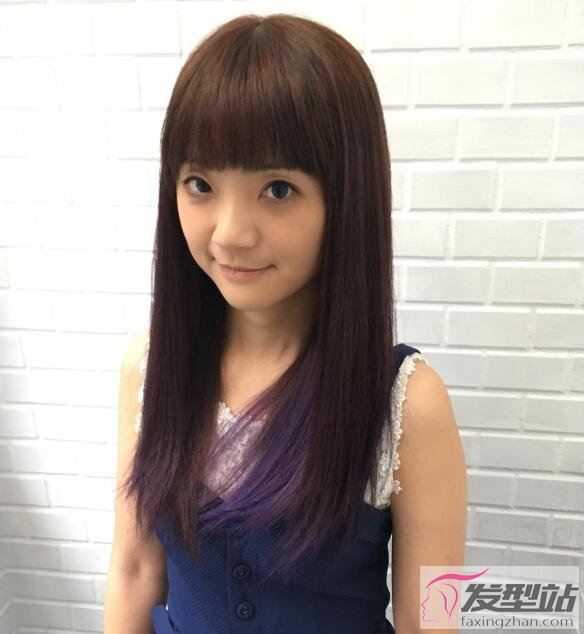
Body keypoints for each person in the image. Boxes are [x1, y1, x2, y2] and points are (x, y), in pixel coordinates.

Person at [104, 12, 467, 634]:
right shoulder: (151, 367)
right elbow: (134, 570)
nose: (230, 233)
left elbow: (430, 620)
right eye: (200, 183)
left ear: (347, 198)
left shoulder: (408, 404)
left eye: (277, 189)